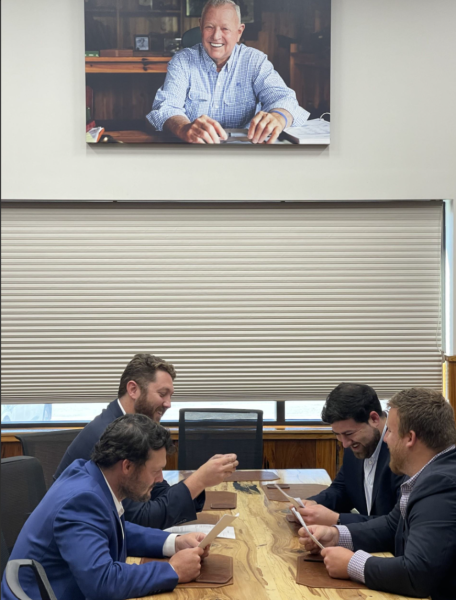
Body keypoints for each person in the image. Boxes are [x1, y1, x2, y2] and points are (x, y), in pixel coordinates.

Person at [1, 415, 214, 600]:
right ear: (127, 466)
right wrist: (173, 569)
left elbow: (115, 530)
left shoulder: (91, 476)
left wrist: (173, 543)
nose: (160, 480)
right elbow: (102, 583)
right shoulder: (82, 500)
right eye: (155, 471)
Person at [299, 388, 456, 600]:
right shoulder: (428, 474)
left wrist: (352, 564)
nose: (385, 440)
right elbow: (392, 526)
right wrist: (336, 535)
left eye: (390, 431)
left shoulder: (442, 484)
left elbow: (417, 575)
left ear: (410, 438)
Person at [54, 353, 239, 529]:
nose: (168, 403)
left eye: (170, 395)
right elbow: (141, 518)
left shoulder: (134, 428)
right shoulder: (109, 435)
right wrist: (199, 481)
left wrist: (200, 480)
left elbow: (157, 493)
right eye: (162, 394)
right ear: (133, 389)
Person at [147, 0, 310, 144]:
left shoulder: (255, 61)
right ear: (200, 26)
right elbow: (166, 107)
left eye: (225, 29)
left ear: (239, 32)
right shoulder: (182, 61)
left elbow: (284, 99)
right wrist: (183, 128)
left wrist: (278, 117)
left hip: (244, 154)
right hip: (195, 151)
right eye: (209, 27)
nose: (216, 36)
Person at [295, 382, 404, 526]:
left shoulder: (402, 451)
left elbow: (398, 524)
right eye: (337, 435)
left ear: (374, 419)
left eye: (348, 433)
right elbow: (343, 489)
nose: (345, 444)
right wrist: (313, 504)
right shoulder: (356, 442)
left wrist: (337, 520)